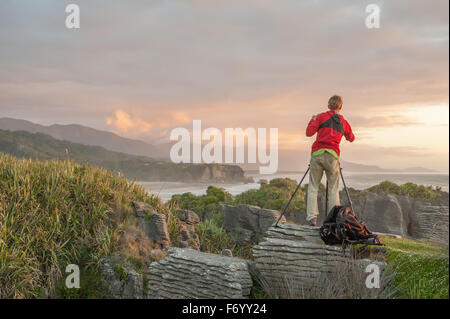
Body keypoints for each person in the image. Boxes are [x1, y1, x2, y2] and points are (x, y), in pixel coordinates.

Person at [305, 95, 355, 226]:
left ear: (328, 105)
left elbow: (309, 133)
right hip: (332, 156)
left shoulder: (320, 117)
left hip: (317, 153)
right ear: (341, 107)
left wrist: (312, 120)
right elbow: (351, 138)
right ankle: (334, 220)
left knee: (313, 186)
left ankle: (312, 218)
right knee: (333, 188)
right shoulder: (344, 122)